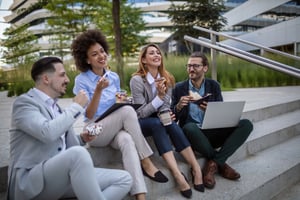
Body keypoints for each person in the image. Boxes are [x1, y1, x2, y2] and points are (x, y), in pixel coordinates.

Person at [7, 56, 133, 200]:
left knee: (124, 179)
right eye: (62, 75)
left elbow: (60, 143)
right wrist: (77, 106)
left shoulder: (56, 107)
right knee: (77, 154)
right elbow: (47, 132)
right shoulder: (24, 104)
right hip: (32, 181)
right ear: (46, 79)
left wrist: (83, 138)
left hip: (62, 175)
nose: (67, 79)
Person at [71, 29, 168, 200]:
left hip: (115, 127)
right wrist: (98, 91)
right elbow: (88, 113)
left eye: (102, 51)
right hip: (95, 130)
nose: (101, 56)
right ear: (86, 59)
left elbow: (118, 104)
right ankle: (146, 160)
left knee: (127, 140)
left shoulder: (113, 76)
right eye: (94, 54)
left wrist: (124, 100)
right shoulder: (81, 80)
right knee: (127, 111)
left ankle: (140, 194)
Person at [130, 43, 204, 199]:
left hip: (157, 119)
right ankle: (177, 174)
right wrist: (159, 97)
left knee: (168, 123)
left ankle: (196, 167)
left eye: (158, 52)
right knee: (158, 123)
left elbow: (164, 109)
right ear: (143, 60)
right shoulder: (137, 80)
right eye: (151, 53)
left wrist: (165, 113)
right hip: (141, 123)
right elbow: (141, 112)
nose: (157, 55)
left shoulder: (167, 78)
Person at [171, 51, 253, 189]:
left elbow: (221, 113)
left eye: (195, 66)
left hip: (212, 131)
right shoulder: (179, 88)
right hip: (192, 134)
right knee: (189, 127)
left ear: (205, 68)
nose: (191, 69)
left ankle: (214, 163)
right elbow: (173, 117)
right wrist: (178, 106)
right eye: (189, 66)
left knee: (246, 124)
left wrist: (211, 109)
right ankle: (221, 164)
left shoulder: (214, 85)